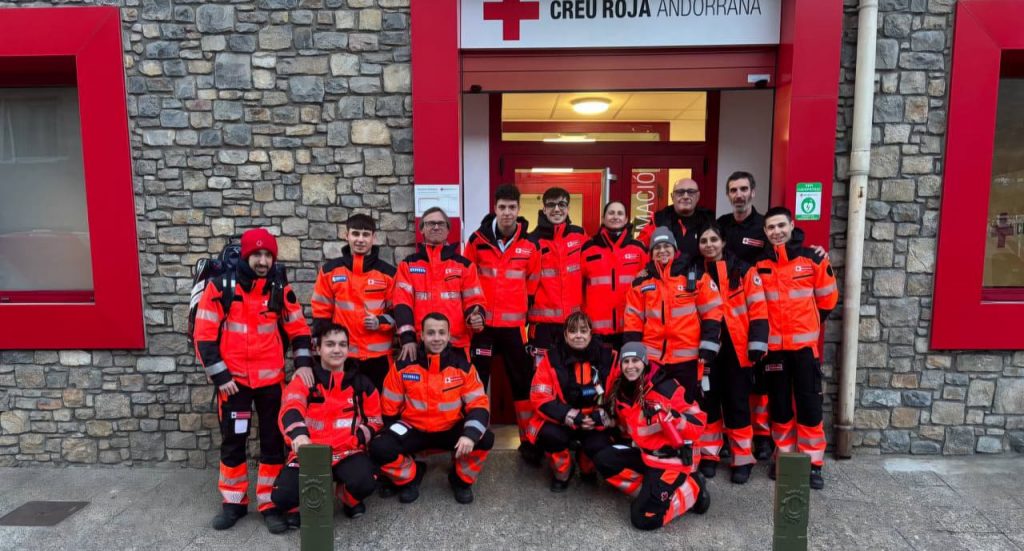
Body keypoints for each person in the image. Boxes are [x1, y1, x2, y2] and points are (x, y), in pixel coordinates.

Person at [193, 228, 314, 532]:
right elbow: (203, 335)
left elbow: (299, 329)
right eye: (256, 254)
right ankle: (233, 503)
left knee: (273, 444)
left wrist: (302, 364)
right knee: (234, 444)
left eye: (268, 255)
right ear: (246, 256)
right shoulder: (221, 287)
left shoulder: (280, 288)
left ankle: (269, 504)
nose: (262, 261)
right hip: (234, 385)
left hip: (272, 383)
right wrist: (221, 377)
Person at [370, 313, 494, 504]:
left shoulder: (463, 367)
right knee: (379, 447)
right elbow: (388, 408)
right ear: (421, 335)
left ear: (449, 335)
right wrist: (390, 437)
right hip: (414, 430)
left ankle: (460, 480)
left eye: (441, 333)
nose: (436, 338)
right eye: (431, 333)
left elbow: (479, 404)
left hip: (449, 430)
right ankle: (411, 476)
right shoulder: (402, 366)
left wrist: (469, 435)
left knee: (484, 438)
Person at [755, 207, 839, 490]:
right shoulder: (760, 264)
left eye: (781, 225)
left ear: (792, 225)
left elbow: (828, 300)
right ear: (765, 232)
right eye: (771, 227)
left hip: (804, 348)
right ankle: (785, 459)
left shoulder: (813, 259)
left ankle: (812, 464)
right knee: (779, 408)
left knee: (809, 407)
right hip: (774, 350)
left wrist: (808, 325)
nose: (777, 231)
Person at [270, 323, 381, 530]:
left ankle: (347, 497)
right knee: (282, 497)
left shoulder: (361, 383)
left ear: (348, 349)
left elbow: (375, 419)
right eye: (330, 344)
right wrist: (299, 435)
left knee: (367, 481)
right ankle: (298, 507)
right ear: (318, 349)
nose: (337, 350)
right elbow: (290, 408)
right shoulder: (305, 380)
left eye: (342, 344)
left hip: (346, 451)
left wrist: (356, 439)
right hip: (309, 452)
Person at [593, 342, 710, 530]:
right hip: (646, 455)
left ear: (645, 362)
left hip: (672, 460)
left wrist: (677, 419)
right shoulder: (623, 389)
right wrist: (606, 421)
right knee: (603, 459)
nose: (630, 366)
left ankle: (694, 487)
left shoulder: (667, 388)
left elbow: (699, 422)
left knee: (644, 519)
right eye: (626, 361)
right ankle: (651, 494)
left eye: (635, 361)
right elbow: (628, 425)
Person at [464, 184, 542, 464]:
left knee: (522, 383)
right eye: (502, 207)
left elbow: (533, 283)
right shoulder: (476, 241)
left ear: (518, 209)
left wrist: (521, 310)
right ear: (494, 208)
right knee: (477, 383)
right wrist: (473, 312)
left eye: (512, 207)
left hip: (514, 330)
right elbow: (467, 280)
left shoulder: (530, 245)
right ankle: (475, 440)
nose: (507, 212)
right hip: (482, 329)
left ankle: (529, 441)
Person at [691, 224, 770, 484]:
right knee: (708, 405)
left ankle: (742, 458)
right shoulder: (693, 272)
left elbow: (758, 309)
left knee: (737, 405)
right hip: (705, 349)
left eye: (714, 239)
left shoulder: (744, 270)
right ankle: (709, 455)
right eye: (704, 241)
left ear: (723, 242)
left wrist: (757, 343)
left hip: (737, 349)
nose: (709, 245)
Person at [623, 227, 723, 402]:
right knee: (653, 405)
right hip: (652, 359)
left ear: (675, 249)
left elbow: (712, 312)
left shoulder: (696, 277)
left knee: (686, 405)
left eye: (666, 246)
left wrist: (708, 346)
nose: (662, 251)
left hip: (687, 359)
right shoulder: (641, 282)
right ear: (651, 253)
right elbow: (633, 319)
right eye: (657, 247)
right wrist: (634, 354)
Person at [526, 312, 615, 492]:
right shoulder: (551, 359)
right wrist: (571, 416)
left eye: (583, 330)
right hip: (562, 421)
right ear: (565, 335)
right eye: (573, 331)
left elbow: (619, 393)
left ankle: (586, 466)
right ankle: (563, 471)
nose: (578, 335)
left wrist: (600, 416)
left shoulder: (608, 357)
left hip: (594, 422)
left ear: (591, 333)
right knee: (549, 435)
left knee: (599, 444)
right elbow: (540, 397)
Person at [311, 213, 396, 390]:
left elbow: (398, 314)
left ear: (374, 238)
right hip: (342, 356)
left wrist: (380, 321)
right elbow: (321, 314)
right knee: (343, 404)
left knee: (378, 405)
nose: (360, 239)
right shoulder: (329, 271)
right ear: (346, 235)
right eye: (355, 233)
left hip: (378, 359)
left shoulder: (389, 274)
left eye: (366, 235)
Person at [394, 207, 487, 361]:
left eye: (441, 223)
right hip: (419, 346)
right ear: (422, 229)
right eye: (431, 223)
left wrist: (476, 317)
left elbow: (474, 300)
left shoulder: (464, 266)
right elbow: (402, 304)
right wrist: (407, 339)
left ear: (448, 230)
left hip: (456, 347)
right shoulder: (408, 266)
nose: (436, 227)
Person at [580, 201, 649, 350]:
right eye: (611, 213)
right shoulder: (588, 249)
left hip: (630, 329)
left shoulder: (638, 249)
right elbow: (578, 287)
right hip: (595, 332)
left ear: (626, 219)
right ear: (603, 218)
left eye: (620, 213)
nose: (615, 217)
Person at [526, 187, 587, 352]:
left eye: (562, 204)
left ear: (568, 208)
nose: (557, 209)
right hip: (542, 326)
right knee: (542, 367)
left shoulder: (580, 235)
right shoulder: (532, 240)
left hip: (573, 322)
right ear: (544, 208)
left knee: (572, 367)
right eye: (551, 205)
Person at [637, 178, 715, 260]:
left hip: (701, 268)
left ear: (698, 196)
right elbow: (639, 250)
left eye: (691, 192)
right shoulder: (659, 219)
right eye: (680, 192)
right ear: (672, 196)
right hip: (668, 268)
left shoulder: (708, 219)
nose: (685, 196)